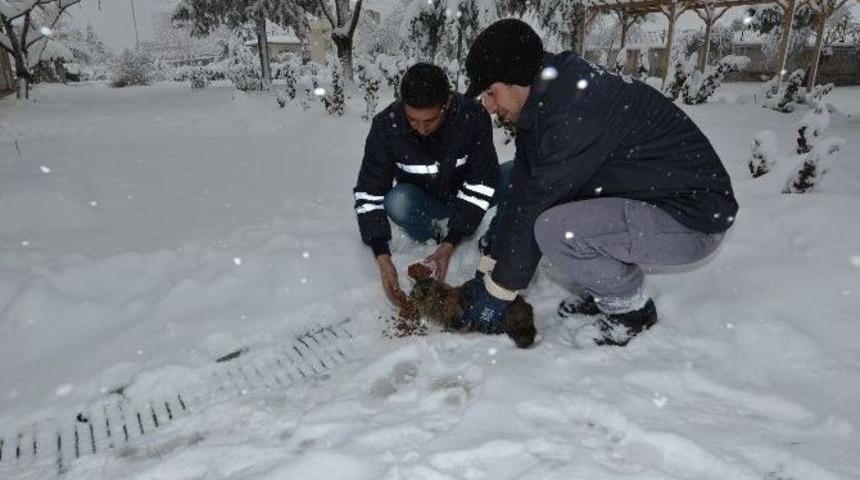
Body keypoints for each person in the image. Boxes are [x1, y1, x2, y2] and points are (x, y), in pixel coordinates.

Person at [457, 19, 739, 346]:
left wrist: (498, 293)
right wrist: (489, 268)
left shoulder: (571, 114)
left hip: (692, 219)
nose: (489, 106)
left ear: (517, 79)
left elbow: (533, 207)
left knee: (553, 228)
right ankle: (605, 288)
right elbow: (521, 189)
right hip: (657, 199)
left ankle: (630, 311)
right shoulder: (548, 100)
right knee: (554, 213)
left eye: (491, 93)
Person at [353, 63, 508, 303]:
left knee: (517, 173)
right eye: (412, 120)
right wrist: (382, 256)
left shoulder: (472, 117)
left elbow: (481, 182)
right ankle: (432, 234)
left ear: (446, 104)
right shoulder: (386, 127)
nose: (422, 129)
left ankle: (486, 238)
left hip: (466, 199)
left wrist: (452, 242)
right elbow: (369, 194)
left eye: (430, 120)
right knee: (397, 201)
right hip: (425, 204)